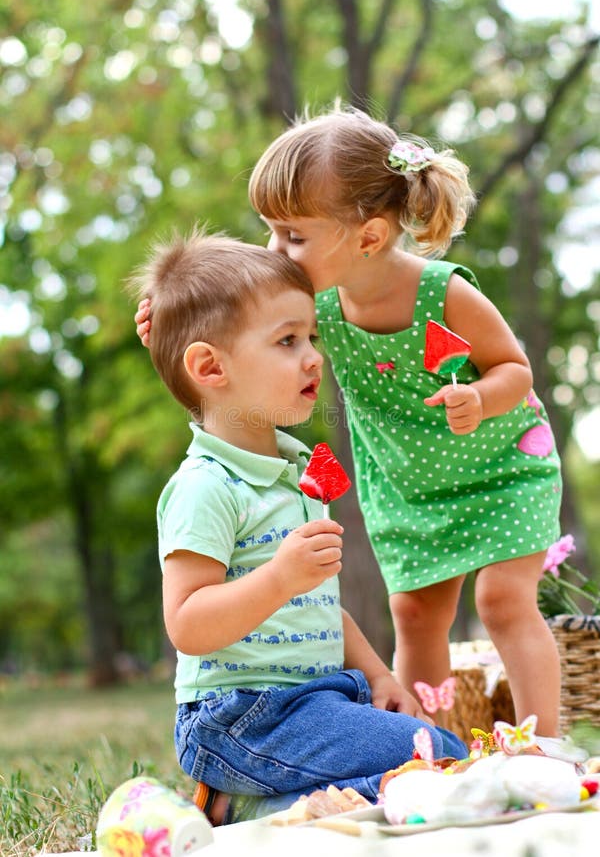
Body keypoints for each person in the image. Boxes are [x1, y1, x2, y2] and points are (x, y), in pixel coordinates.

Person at [135, 107, 563, 740]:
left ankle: (544, 740)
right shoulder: (315, 304)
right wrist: (171, 324)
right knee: (415, 614)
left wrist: (484, 399)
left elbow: (515, 369)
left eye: (292, 235)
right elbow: (235, 339)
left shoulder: (443, 294)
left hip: (502, 470)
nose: (273, 250)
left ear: (366, 237)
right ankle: (430, 742)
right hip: (409, 484)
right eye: (270, 230)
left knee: (501, 601)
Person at [130, 229, 467, 825]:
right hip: (240, 715)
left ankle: (276, 803)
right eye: (287, 340)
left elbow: (317, 602)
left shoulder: (294, 474)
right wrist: (280, 578)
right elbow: (187, 623)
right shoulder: (205, 486)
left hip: (311, 702)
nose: (314, 355)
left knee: (430, 749)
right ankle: (255, 805)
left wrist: (379, 674)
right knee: (436, 757)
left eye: (311, 336)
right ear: (210, 366)